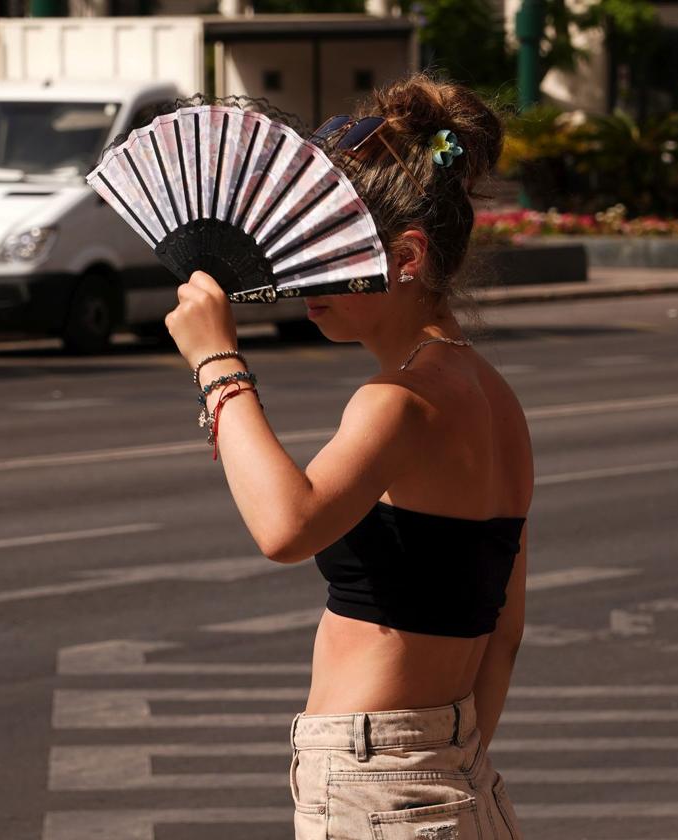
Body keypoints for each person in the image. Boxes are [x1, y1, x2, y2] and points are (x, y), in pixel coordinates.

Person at [164, 73, 533, 840]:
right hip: (454, 775)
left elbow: (286, 527)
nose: (303, 275)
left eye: (328, 248)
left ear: (406, 255)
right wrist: (446, 762)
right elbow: (502, 631)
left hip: (379, 783)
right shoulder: (492, 396)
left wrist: (216, 361)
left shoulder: (397, 401)